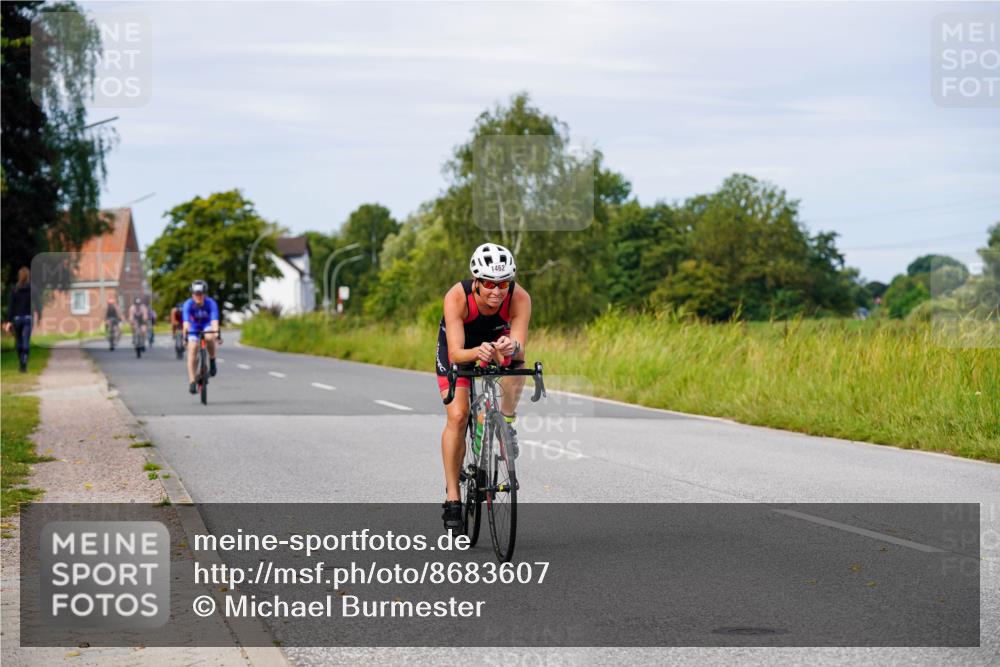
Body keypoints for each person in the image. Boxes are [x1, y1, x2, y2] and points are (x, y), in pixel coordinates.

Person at [436, 243, 531, 531]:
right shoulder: (457, 296)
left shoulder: (520, 298)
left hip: (495, 345)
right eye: (489, 283)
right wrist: (478, 351)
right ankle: (453, 497)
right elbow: (455, 353)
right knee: (458, 415)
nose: (497, 291)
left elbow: (518, 346)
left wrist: (510, 347)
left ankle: (506, 421)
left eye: (503, 283)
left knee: (520, 364)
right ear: (476, 281)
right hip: (462, 350)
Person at [182, 280, 221, 394]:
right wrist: (185, 337)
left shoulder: (211, 303)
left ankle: (212, 359)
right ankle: (192, 381)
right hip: (193, 328)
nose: (198, 296)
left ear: (204, 294)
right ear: (192, 294)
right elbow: (186, 323)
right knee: (193, 348)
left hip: (206, 325)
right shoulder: (188, 304)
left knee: (209, 337)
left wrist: (217, 334)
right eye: (196, 294)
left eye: (200, 294)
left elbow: (214, 321)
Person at [4, 267, 35, 372]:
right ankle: (24, 359)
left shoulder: (14, 289)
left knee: (18, 341)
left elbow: (11, 306)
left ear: (19, 276)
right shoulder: (32, 289)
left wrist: (8, 321)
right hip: (28, 318)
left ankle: (21, 362)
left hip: (17, 319)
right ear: (28, 276)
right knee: (26, 340)